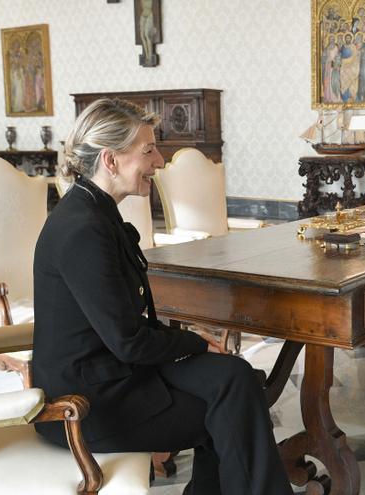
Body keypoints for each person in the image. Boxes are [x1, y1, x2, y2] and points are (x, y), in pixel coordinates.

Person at [32, 98, 293, 495]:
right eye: (148, 149)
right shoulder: (82, 227)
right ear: (111, 159)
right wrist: (194, 342)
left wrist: (194, 347)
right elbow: (128, 340)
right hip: (86, 404)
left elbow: (126, 328)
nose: (159, 161)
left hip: (115, 371)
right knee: (231, 404)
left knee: (237, 378)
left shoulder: (94, 212)